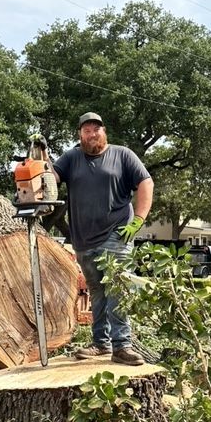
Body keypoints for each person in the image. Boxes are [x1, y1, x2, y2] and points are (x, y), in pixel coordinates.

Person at [51, 112, 154, 366]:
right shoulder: (72, 157)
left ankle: (122, 345)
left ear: (103, 131)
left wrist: (139, 219)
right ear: (80, 134)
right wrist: (38, 166)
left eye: (96, 129)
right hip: (83, 240)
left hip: (116, 233)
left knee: (117, 287)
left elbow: (145, 183)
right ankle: (100, 343)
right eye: (86, 130)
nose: (92, 134)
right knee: (97, 291)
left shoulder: (122, 155)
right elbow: (51, 177)